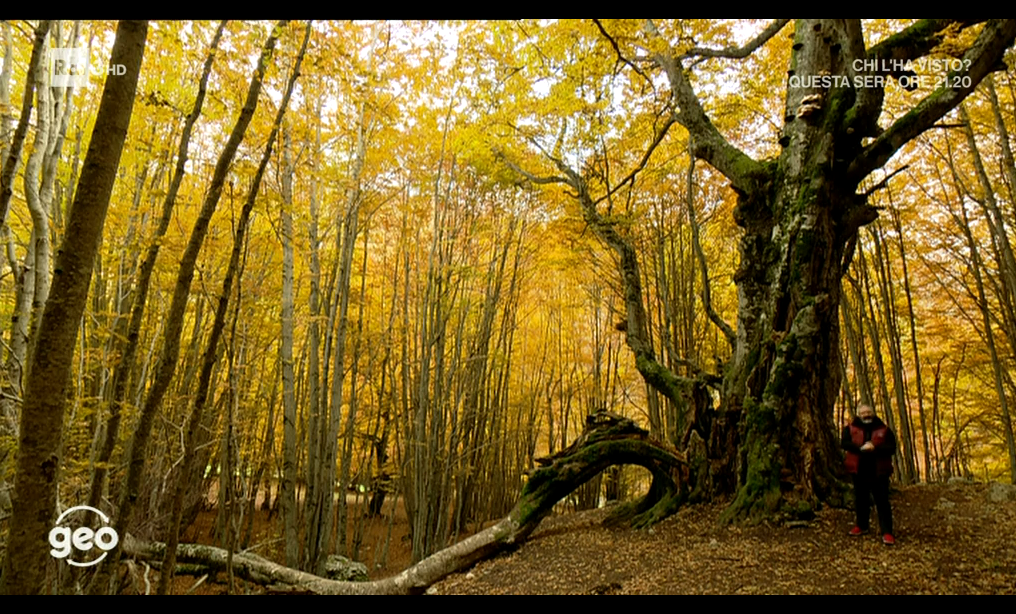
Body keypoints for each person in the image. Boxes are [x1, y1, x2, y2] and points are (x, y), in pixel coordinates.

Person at [841, 404, 897, 545]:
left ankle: (887, 532)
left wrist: (874, 447)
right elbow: (845, 443)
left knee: (882, 501)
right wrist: (860, 448)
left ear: (873, 413)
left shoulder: (883, 429)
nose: (866, 414)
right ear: (859, 414)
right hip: (858, 470)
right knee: (860, 499)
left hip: (879, 471)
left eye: (868, 412)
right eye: (863, 412)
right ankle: (861, 525)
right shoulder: (850, 428)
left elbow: (891, 447)